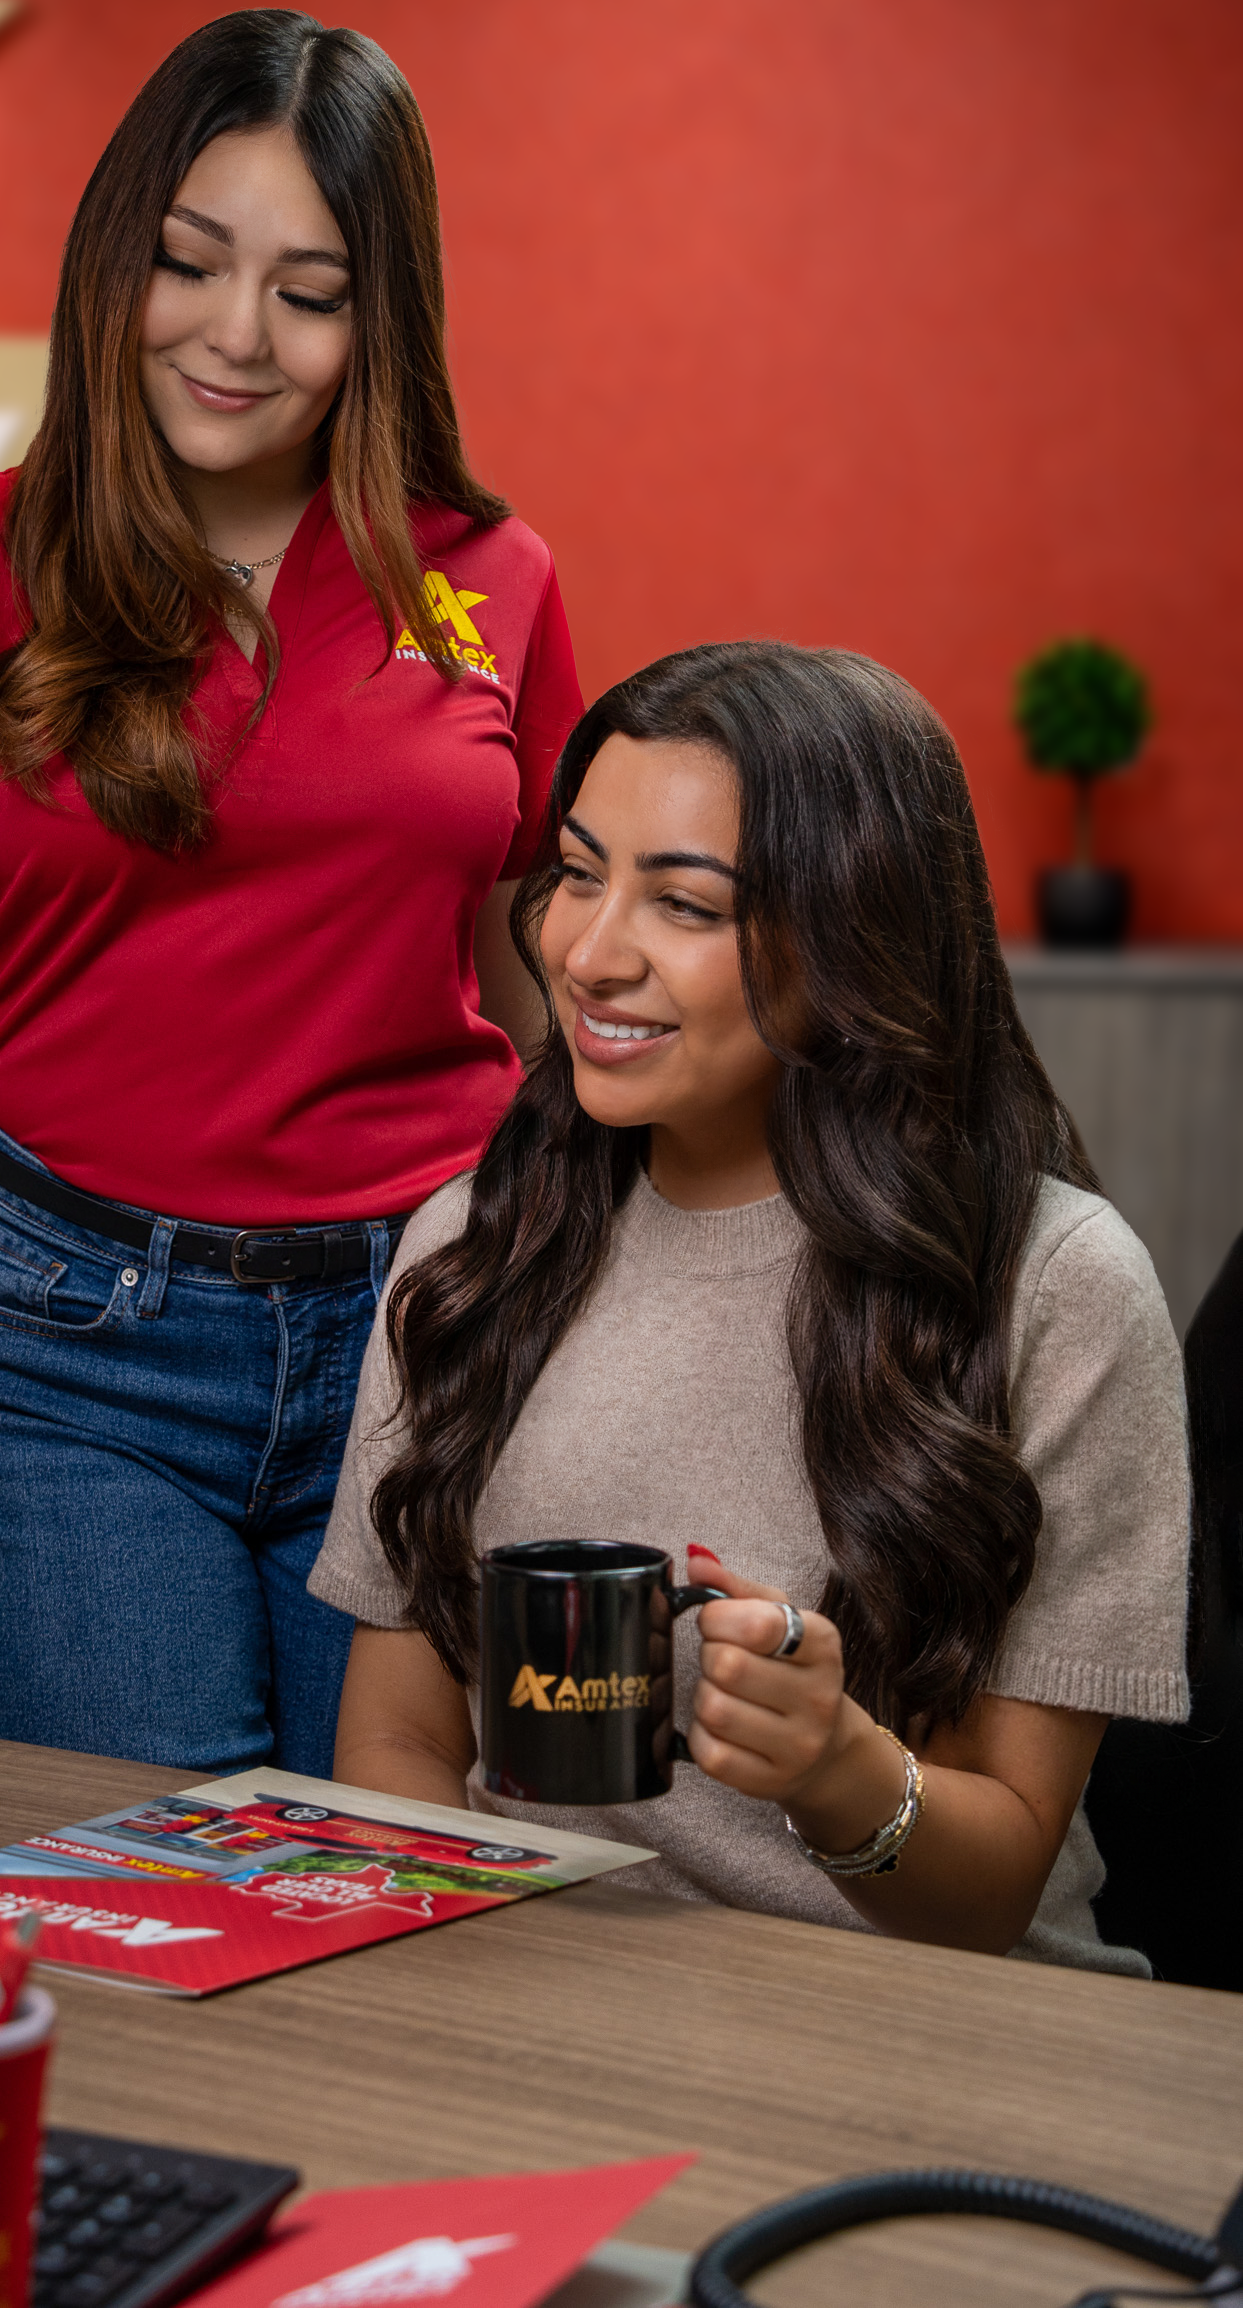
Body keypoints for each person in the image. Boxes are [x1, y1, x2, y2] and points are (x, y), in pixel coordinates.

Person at [0, 9, 583, 1773]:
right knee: (149, 1889)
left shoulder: (490, 576)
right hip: (66, 1347)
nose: (235, 334)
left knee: (384, 1885)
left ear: (380, 315)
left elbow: (538, 971)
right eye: (188, 264)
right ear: (111, 259)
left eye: (308, 290)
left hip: (425, 1325)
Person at [310, 641, 1192, 1970]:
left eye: (683, 903)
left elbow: (997, 1893)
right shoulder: (478, 1244)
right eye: (578, 874)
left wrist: (838, 1771)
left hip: (915, 2016)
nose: (588, 954)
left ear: (854, 936)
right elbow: (396, 1742)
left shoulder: (1057, 1286)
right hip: (540, 1987)